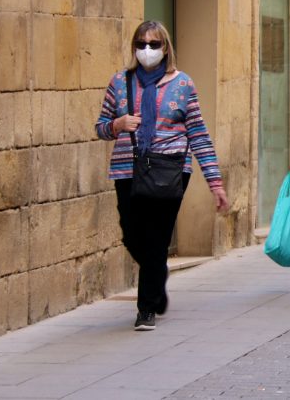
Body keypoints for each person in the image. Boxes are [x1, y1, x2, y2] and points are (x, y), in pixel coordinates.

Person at [95, 21, 230, 331]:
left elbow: (198, 134)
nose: (147, 50)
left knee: (156, 237)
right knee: (132, 234)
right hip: (128, 169)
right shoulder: (119, 82)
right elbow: (100, 127)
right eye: (141, 43)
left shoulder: (183, 84)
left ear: (165, 48)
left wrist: (215, 183)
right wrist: (117, 125)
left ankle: (146, 309)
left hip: (170, 170)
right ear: (133, 47)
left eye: (154, 44)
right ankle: (157, 276)